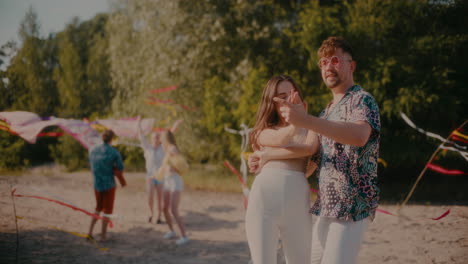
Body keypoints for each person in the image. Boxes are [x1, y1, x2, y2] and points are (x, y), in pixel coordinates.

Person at [270, 36, 381, 264]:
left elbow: (359, 136)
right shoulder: (325, 112)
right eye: (323, 62)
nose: (328, 66)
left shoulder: (362, 100)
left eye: (335, 60)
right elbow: (310, 158)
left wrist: (305, 120)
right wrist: (268, 160)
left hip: (352, 207)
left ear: (351, 65)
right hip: (326, 207)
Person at [245, 75, 320, 264]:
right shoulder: (262, 131)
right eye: (282, 96)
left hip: (297, 201)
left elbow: (310, 149)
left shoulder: (312, 126)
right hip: (264, 201)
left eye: (291, 94)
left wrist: (269, 155)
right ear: (272, 102)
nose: (288, 100)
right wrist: (296, 123)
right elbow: (281, 139)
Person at [137, 117, 182, 224]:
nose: (156, 139)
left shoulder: (163, 148)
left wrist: (175, 125)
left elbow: (170, 134)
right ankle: (151, 213)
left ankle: (159, 216)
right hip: (150, 176)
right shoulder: (147, 147)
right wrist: (138, 123)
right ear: (151, 139)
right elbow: (141, 136)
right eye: (154, 137)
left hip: (161, 177)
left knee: (160, 198)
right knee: (150, 196)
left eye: (158, 137)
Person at [87, 129, 126, 242]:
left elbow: (92, 166)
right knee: (107, 211)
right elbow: (120, 168)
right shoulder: (114, 152)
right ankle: (103, 236)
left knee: (98, 208)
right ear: (112, 139)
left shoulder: (93, 151)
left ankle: (90, 232)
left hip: (97, 184)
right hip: (109, 184)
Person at [156, 130, 189, 245]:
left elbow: (183, 166)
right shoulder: (167, 150)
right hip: (167, 181)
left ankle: (184, 236)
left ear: (165, 138)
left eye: (161, 137)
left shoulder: (173, 149)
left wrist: (175, 168)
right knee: (164, 208)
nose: (159, 139)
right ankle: (172, 231)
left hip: (175, 181)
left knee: (173, 209)